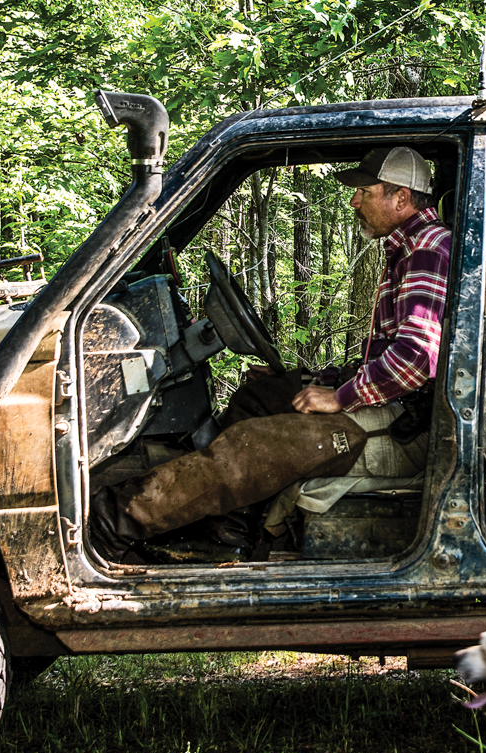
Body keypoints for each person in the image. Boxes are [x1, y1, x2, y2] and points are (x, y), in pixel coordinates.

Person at [91, 145, 452, 557]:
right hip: (402, 404)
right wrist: (322, 378)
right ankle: (228, 537)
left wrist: (339, 397)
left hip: (412, 426)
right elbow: (390, 353)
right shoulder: (409, 247)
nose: (354, 200)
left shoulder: (425, 250)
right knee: (259, 396)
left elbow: (417, 358)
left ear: (400, 198)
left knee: (251, 444)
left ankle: (106, 527)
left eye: (364, 191)